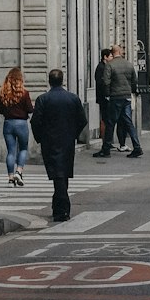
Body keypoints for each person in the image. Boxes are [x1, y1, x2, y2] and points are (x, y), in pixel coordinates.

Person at [31, 67, 88, 223]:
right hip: (67, 141)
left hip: (50, 141)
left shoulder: (43, 99)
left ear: (49, 81)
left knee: (58, 174)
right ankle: (59, 207)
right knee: (62, 173)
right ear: (62, 81)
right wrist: (73, 134)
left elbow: (35, 121)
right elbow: (82, 120)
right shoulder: (72, 98)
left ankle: (61, 209)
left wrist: (40, 138)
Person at [93, 43, 142, 158]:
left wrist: (107, 94)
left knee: (110, 123)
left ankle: (106, 149)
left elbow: (106, 81)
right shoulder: (128, 64)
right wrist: (133, 91)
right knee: (129, 122)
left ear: (112, 53)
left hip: (115, 97)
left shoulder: (110, 65)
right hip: (127, 96)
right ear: (120, 52)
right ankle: (137, 146)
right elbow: (134, 81)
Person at [0, 66, 35, 187]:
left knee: (10, 152)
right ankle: (19, 171)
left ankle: (10, 178)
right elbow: (30, 110)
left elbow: (1, 110)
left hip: (8, 123)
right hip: (21, 124)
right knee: (23, 149)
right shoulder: (24, 93)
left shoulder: (4, 93)